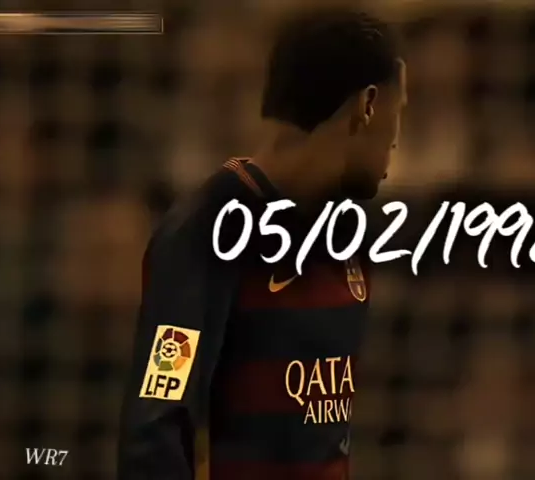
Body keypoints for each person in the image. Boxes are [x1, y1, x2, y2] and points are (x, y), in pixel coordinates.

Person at [117, 7, 407, 480]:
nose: (396, 138)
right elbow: (159, 420)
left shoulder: (348, 233)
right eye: (400, 108)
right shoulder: (209, 231)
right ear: (367, 106)